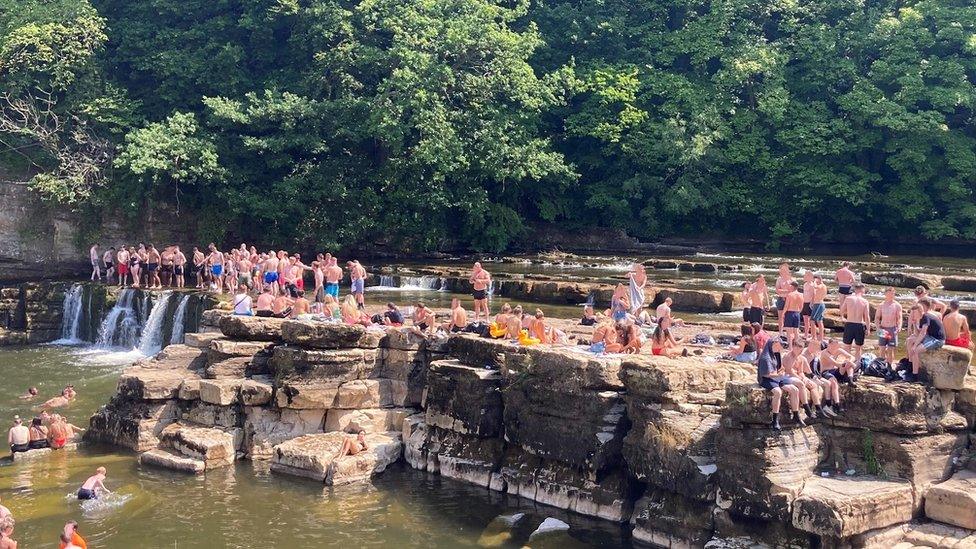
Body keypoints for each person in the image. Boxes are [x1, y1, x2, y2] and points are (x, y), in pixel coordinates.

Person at [757, 338, 805, 430]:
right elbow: (766, 374)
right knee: (778, 392)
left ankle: (796, 415)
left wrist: (782, 371)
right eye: (781, 344)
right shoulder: (765, 357)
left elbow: (780, 367)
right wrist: (777, 374)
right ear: (775, 343)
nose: (782, 347)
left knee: (795, 390)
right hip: (766, 379)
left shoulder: (777, 354)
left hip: (776, 377)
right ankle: (775, 420)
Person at [906, 299, 947, 383]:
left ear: (920, 311)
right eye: (912, 313)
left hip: (937, 339)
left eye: (914, 313)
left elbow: (923, 333)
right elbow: (918, 333)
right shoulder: (920, 318)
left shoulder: (925, 317)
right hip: (929, 336)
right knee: (909, 340)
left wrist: (915, 345)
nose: (913, 315)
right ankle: (909, 365)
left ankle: (914, 375)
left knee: (916, 350)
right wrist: (914, 323)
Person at [781, 339, 820, 420]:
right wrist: (800, 379)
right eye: (797, 348)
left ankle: (818, 408)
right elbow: (789, 370)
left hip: (796, 376)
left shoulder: (801, 358)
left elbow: (801, 371)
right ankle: (807, 409)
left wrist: (803, 378)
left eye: (800, 349)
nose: (798, 350)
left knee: (813, 385)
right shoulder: (788, 356)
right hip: (787, 376)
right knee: (801, 384)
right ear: (793, 347)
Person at [803, 338, 841, 415]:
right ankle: (815, 408)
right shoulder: (805, 355)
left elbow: (818, 367)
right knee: (820, 385)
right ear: (809, 345)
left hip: (816, 375)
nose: (816, 348)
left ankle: (828, 405)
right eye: (814, 346)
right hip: (809, 376)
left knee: (828, 383)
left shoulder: (815, 354)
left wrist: (820, 376)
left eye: (817, 347)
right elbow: (805, 370)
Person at [839, 283, 871, 365]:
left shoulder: (848, 298)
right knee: (858, 347)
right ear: (862, 290)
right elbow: (867, 317)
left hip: (849, 323)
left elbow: (842, 310)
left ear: (855, 289)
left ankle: (847, 363)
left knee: (847, 346)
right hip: (859, 324)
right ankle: (857, 364)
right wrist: (868, 328)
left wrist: (843, 317)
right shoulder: (864, 301)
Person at [875, 287, 903, 364]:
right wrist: (877, 327)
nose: (891, 295)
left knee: (890, 349)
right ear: (886, 294)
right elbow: (877, 318)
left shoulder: (897, 305)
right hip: (883, 329)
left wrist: (899, 327)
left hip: (892, 328)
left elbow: (899, 318)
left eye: (893, 293)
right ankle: (881, 365)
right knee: (882, 348)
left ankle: (890, 366)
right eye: (890, 293)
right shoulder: (881, 305)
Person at [774, 263, 794, 336]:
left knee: (789, 316)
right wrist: (787, 291)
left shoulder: (791, 279)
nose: (782, 271)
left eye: (783, 269)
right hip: (781, 299)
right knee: (780, 316)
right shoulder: (779, 279)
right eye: (781, 270)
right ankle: (780, 332)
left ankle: (789, 331)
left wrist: (784, 290)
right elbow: (777, 290)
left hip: (789, 299)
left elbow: (793, 290)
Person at [783, 281, 804, 348]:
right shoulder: (801, 295)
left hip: (789, 313)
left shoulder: (790, 295)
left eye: (790, 286)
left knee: (789, 332)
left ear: (792, 286)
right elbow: (801, 306)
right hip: (797, 313)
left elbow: (786, 306)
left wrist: (783, 313)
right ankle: (797, 346)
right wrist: (798, 312)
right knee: (796, 331)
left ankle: (790, 347)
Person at [810, 275, 828, 341]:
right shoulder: (819, 286)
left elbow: (816, 287)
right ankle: (820, 337)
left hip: (819, 304)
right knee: (819, 321)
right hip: (817, 304)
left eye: (815, 280)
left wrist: (814, 282)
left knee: (812, 320)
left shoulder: (822, 285)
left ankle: (814, 337)